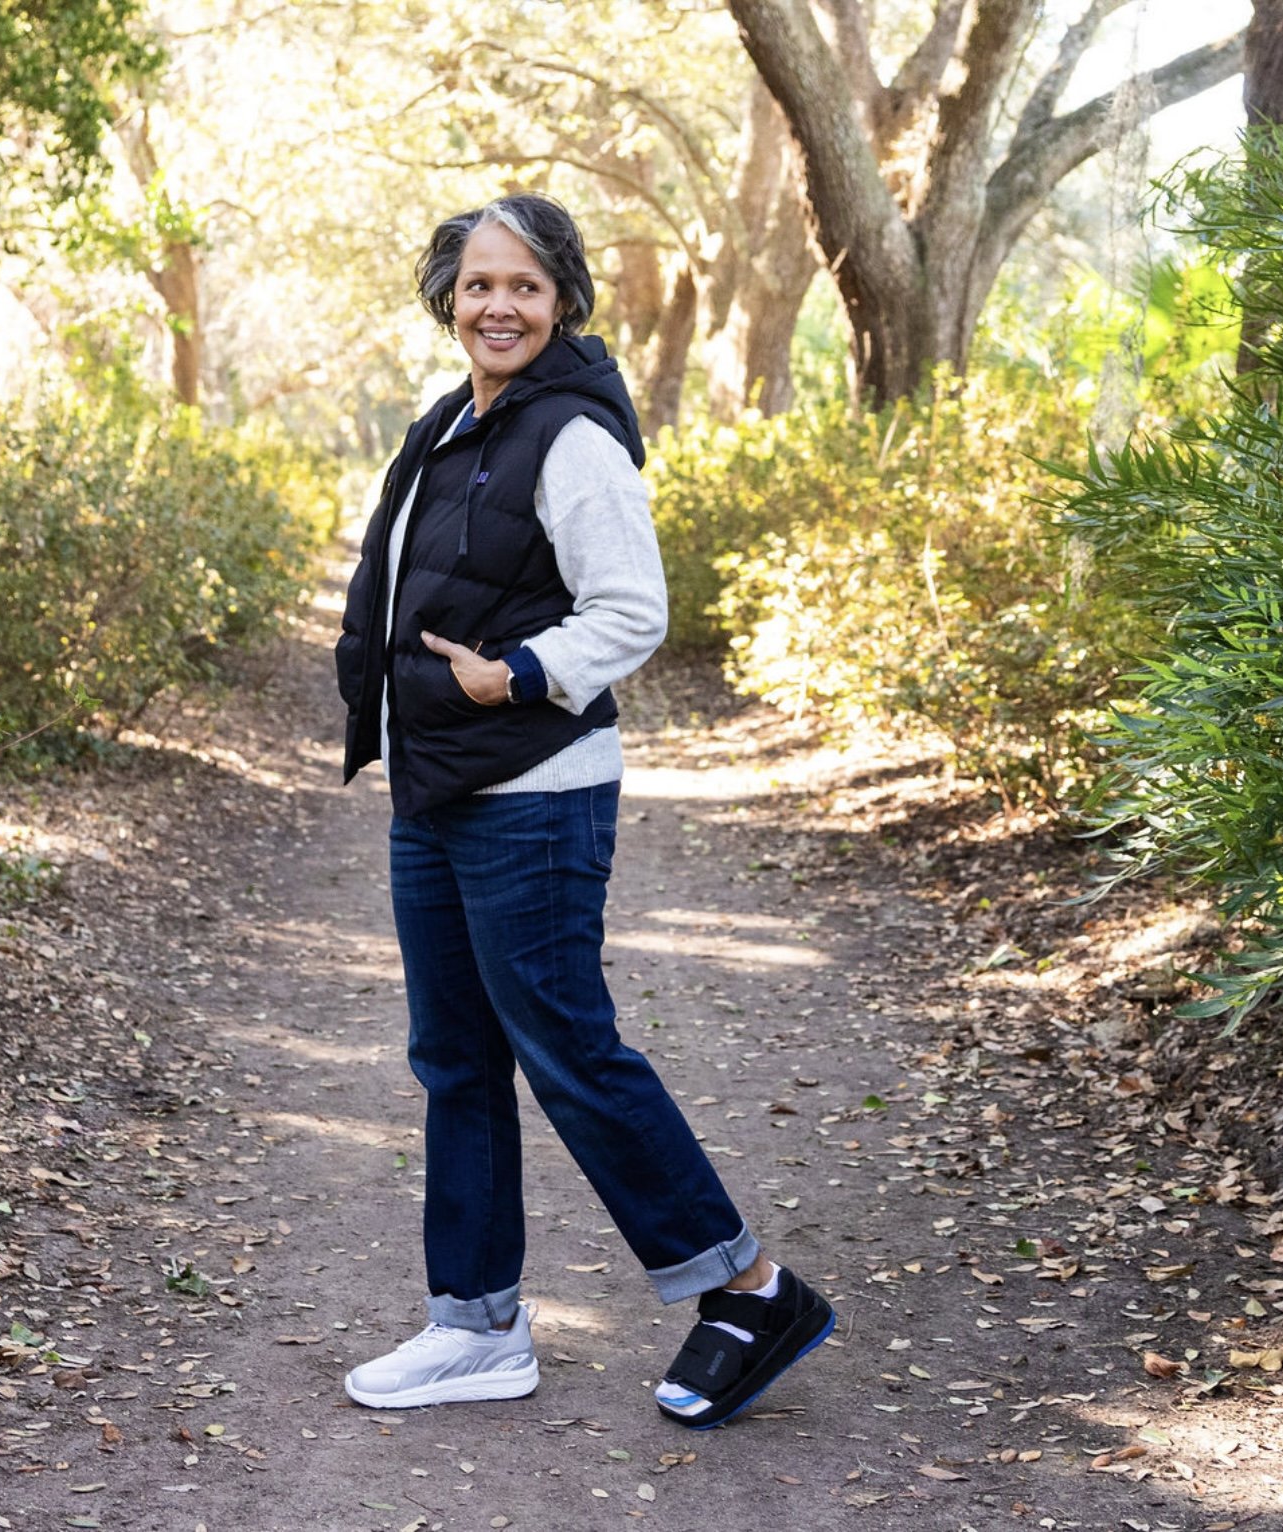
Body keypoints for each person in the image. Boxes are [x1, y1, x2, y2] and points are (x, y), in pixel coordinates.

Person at [333, 193, 833, 1429]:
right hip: (439, 788)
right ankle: (476, 1324)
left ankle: (753, 1288)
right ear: (447, 295)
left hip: (534, 797)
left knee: (569, 1048)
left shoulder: (572, 438)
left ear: (562, 301)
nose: (497, 305)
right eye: (476, 284)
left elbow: (630, 611)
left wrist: (518, 673)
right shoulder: (452, 423)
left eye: (525, 287)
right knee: (456, 1059)